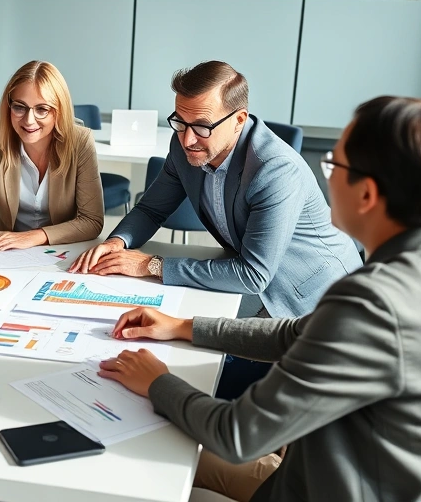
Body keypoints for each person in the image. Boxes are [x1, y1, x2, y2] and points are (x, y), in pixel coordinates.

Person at [98, 96, 421, 502]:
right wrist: (184, 327)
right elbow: (305, 332)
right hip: (379, 467)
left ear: (366, 193)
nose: (324, 178)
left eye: (333, 164)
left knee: (137, 449)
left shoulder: (373, 303)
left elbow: (235, 435)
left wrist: (157, 382)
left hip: (331, 487)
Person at [71, 60, 362, 320]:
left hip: (315, 296)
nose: (187, 139)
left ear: (239, 120)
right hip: (254, 279)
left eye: (201, 126)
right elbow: (151, 209)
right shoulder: (182, 146)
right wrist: (117, 242)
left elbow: (252, 275)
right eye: (180, 123)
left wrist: (152, 265)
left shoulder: (275, 170)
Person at [0, 60, 104, 257]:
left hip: (59, 253)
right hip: (2, 250)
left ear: (59, 112)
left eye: (42, 109)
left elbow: (92, 220)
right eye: (19, 107)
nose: (28, 120)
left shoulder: (81, 142)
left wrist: (35, 236)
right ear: (9, 105)